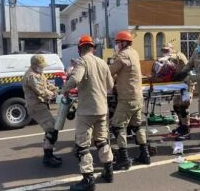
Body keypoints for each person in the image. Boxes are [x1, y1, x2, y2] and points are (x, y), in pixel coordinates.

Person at [62, 35, 114, 190]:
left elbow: (75, 79)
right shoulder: (102, 62)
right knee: (101, 140)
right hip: (102, 109)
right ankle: (108, 171)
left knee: (82, 145)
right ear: (93, 48)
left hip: (87, 111)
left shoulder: (82, 61)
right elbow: (110, 84)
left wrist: (64, 89)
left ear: (80, 49)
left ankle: (88, 180)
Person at [109, 31, 150, 171]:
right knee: (137, 126)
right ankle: (145, 154)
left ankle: (124, 159)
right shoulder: (134, 52)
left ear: (124, 43)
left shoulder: (122, 56)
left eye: (118, 42)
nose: (116, 45)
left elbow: (110, 71)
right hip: (138, 97)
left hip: (127, 98)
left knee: (117, 126)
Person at [21, 55, 62, 168]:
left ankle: (50, 155)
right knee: (52, 129)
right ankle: (47, 158)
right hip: (36, 106)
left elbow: (47, 85)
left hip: (41, 105)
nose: (42, 68)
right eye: (41, 66)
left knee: (51, 129)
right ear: (34, 65)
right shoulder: (31, 76)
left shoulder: (39, 74)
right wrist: (55, 95)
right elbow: (41, 91)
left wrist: (59, 89)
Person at [160, 43, 193, 141]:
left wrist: (168, 56)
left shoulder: (179, 55)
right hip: (178, 85)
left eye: (167, 50)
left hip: (187, 84)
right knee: (176, 106)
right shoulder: (168, 60)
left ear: (172, 49)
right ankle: (182, 126)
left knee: (184, 106)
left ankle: (186, 131)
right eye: (164, 51)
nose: (165, 52)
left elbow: (176, 56)